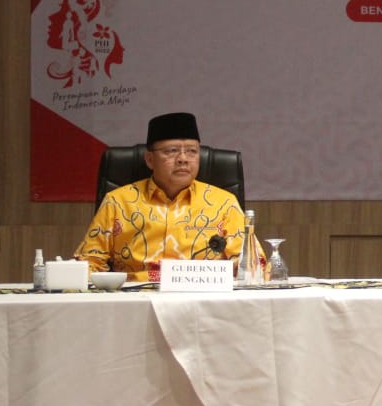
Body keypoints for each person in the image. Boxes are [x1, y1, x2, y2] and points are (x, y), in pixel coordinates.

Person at [75, 112, 251, 282]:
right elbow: (88, 263)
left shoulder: (224, 204)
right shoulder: (117, 202)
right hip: (135, 295)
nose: (183, 159)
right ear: (150, 159)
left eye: (192, 151)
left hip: (202, 296)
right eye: (172, 151)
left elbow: (251, 265)